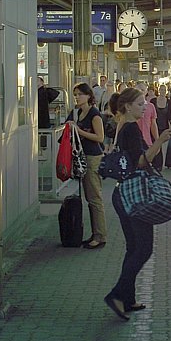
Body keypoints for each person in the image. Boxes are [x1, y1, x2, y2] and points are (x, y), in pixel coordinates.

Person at [104, 88, 171, 320]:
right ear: (127, 106)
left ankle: (128, 299)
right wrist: (160, 141)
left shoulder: (123, 125)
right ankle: (117, 295)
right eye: (140, 104)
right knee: (144, 248)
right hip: (134, 195)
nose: (145, 107)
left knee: (133, 248)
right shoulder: (132, 128)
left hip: (122, 193)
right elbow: (141, 161)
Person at [65, 83, 107, 249]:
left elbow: (100, 137)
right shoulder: (76, 113)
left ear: (89, 96)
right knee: (89, 198)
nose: (77, 97)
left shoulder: (94, 114)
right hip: (81, 157)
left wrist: (79, 131)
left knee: (94, 198)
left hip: (93, 157)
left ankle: (100, 236)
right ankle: (94, 233)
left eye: (80, 94)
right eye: (75, 94)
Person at [153, 84, 171, 170]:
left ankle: (158, 164)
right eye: (161, 90)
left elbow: (169, 115)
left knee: (159, 144)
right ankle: (157, 164)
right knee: (156, 144)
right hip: (154, 126)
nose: (162, 91)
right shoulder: (153, 101)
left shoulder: (169, 102)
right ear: (158, 90)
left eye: (164, 90)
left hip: (164, 127)